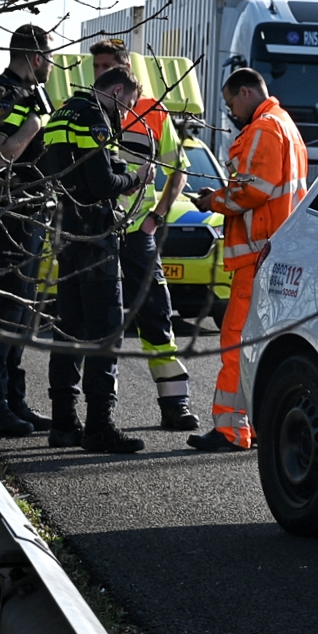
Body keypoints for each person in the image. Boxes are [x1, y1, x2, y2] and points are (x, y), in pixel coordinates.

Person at [188, 68, 307, 452]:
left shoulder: (263, 129)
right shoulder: (286, 126)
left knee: (236, 343)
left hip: (256, 257)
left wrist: (214, 201)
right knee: (256, 344)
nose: (231, 112)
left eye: (230, 103)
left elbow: (252, 191)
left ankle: (231, 430)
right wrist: (223, 192)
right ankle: (249, 427)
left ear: (245, 92)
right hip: (276, 253)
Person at [88, 40, 199, 430]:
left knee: (156, 312)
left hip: (138, 232)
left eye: (106, 65)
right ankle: (98, 416)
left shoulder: (152, 112)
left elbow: (178, 169)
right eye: (95, 65)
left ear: (124, 71)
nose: (99, 72)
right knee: (98, 320)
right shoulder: (87, 111)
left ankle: (174, 405)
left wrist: (157, 216)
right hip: (97, 230)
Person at [39, 65, 150, 453]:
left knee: (68, 329)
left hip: (66, 231)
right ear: (118, 91)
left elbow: (60, 169)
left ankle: (64, 423)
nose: (126, 112)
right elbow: (101, 184)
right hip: (96, 236)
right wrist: (136, 178)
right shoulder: (94, 117)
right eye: (128, 104)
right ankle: (99, 426)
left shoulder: (63, 111)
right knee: (105, 332)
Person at [0, 24, 54, 439]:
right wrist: (32, 128)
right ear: (37, 58)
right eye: (50, 60)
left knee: (20, 314)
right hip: (6, 214)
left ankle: (13, 402)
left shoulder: (26, 96)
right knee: (4, 310)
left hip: (28, 215)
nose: (52, 68)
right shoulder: (4, 96)